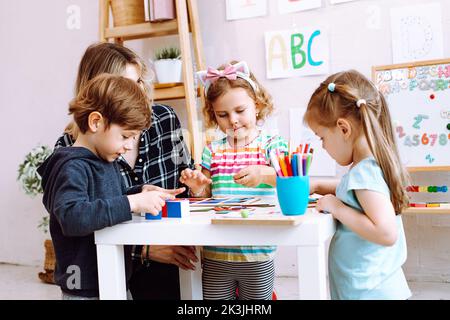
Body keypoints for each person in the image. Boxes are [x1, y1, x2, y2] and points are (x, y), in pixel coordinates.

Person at [54, 42, 198, 300]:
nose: (138, 94)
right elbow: (75, 219)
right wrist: (142, 248)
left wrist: (142, 192)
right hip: (102, 268)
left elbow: (185, 188)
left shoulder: (163, 119)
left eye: (139, 83)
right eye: (126, 86)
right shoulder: (71, 154)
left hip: (159, 261)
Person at [38, 74, 179, 299]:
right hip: (85, 289)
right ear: (96, 122)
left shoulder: (105, 159)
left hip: (113, 277)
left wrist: (138, 193)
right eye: (125, 136)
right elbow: (72, 217)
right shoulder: (72, 167)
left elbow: (106, 200)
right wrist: (131, 202)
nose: (129, 146)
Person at [180, 61, 288, 300]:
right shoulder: (212, 150)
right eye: (223, 115)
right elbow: (205, 197)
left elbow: (290, 180)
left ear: (257, 106)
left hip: (258, 252)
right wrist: (198, 189)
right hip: (216, 252)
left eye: (240, 110)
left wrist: (265, 173)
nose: (233, 120)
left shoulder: (271, 143)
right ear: (213, 116)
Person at [304, 70, 411, 300]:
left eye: (322, 137)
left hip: (370, 291)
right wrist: (319, 186)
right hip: (371, 288)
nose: (322, 146)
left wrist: (337, 208)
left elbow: (386, 232)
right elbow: (352, 191)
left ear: (343, 129)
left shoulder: (364, 173)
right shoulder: (368, 167)